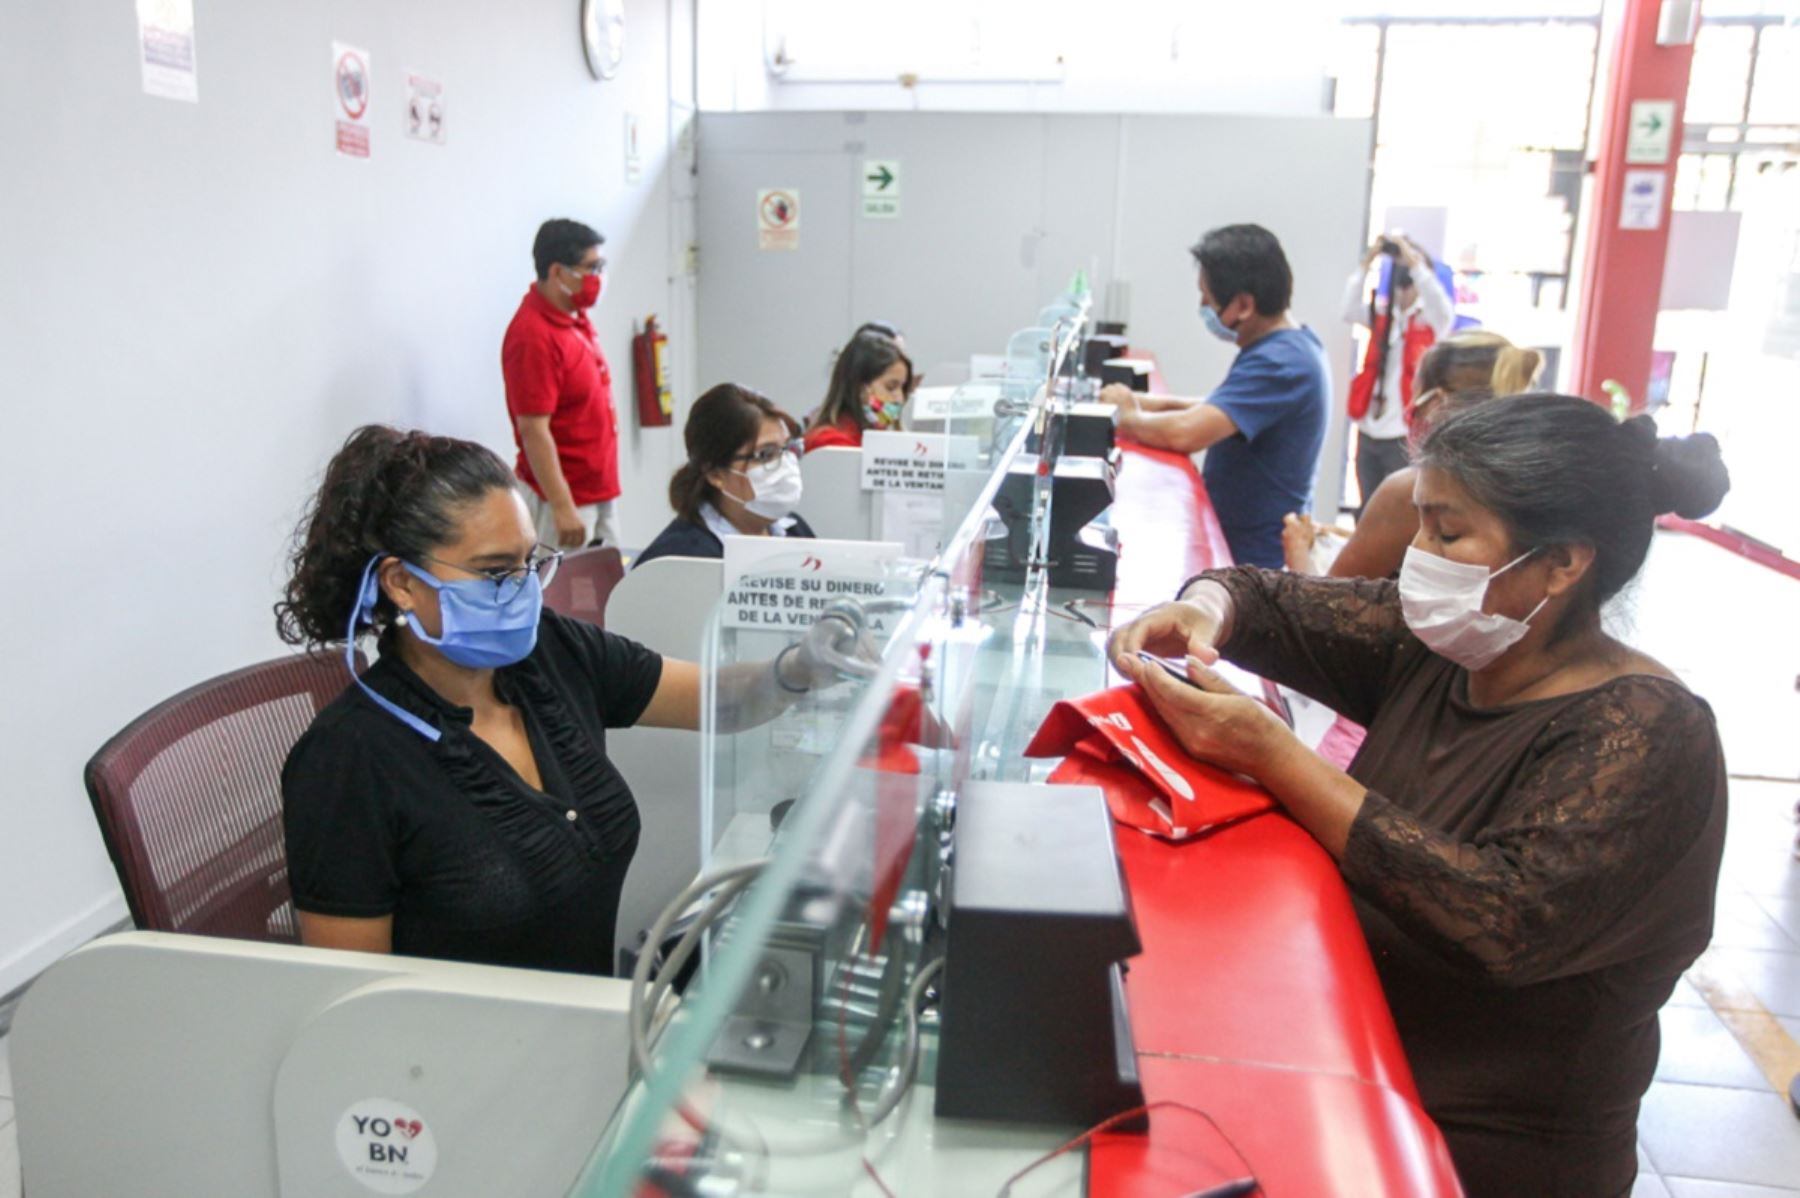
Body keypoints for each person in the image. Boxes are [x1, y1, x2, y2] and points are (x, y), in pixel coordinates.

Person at [1108, 394, 1731, 1198]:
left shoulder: (1646, 734)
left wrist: (1276, 758)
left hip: (1489, 1151)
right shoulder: (1450, 649)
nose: (1419, 557)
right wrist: (1203, 609)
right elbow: (1267, 602)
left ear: (1561, 563)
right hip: (1356, 1068)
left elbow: (1496, 919)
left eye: (1448, 534)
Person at [275, 426, 851, 976]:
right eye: (495, 572)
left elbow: (714, 700)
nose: (525, 588)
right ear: (401, 582)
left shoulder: (548, 654)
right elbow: (351, 1002)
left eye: (530, 562)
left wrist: (799, 668)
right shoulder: (348, 760)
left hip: (584, 1031)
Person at [1100, 224, 1330, 570]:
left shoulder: (1281, 363)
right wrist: (1146, 402)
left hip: (1252, 561)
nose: (1203, 306)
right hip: (1243, 545)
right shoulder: (1292, 346)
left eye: (1207, 298)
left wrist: (1128, 418)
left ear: (1243, 305)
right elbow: (1221, 405)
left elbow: (1187, 433)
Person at [1283, 330, 1544, 577]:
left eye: (1415, 391)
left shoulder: (1419, 491)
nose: (1411, 407)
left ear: (1438, 401)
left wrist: (1297, 549)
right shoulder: (1528, 486)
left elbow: (1324, 607)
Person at [502, 218, 623, 551]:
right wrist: (562, 505)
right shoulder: (532, 336)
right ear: (557, 272)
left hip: (597, 491)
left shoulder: (574, 317)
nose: (598, 277)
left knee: (604, 592)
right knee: (561, 597)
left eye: (601, 266)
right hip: (562, 503)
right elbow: (534, 430)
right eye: (590, 267)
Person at [635, 384, 817, 567]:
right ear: (716, 474)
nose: (785, 464)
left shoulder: (794, 530)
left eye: (788, 448)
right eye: (765, 454)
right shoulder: (681, 559)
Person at [1343, 233, 1455, 502]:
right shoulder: (1380, 315)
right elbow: (1347, 310)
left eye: (1409, 279)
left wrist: (1414, 262)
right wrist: (1366, 264)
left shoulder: (1430, 321)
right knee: (1366, 506)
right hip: (1369, 429)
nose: (1404, 286)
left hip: (1404, 434)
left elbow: (1442, 307)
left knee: (1398, 508)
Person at [803, 332, 913, 452]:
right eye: (890, 387)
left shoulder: (878, 439)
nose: (900, 399)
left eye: (903, 388)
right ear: (860, 388)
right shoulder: (831, 443)